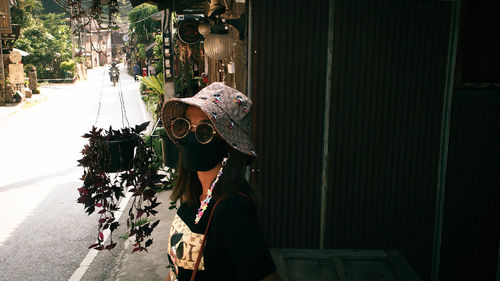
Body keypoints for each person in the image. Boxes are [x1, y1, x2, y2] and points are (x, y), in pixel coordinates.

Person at [162, 82, 281, 281]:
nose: (191, 136)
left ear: (227, 143)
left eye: (205, 131)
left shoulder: (233, 210)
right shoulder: (193, 194)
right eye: (185, 126)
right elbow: (176, 270)